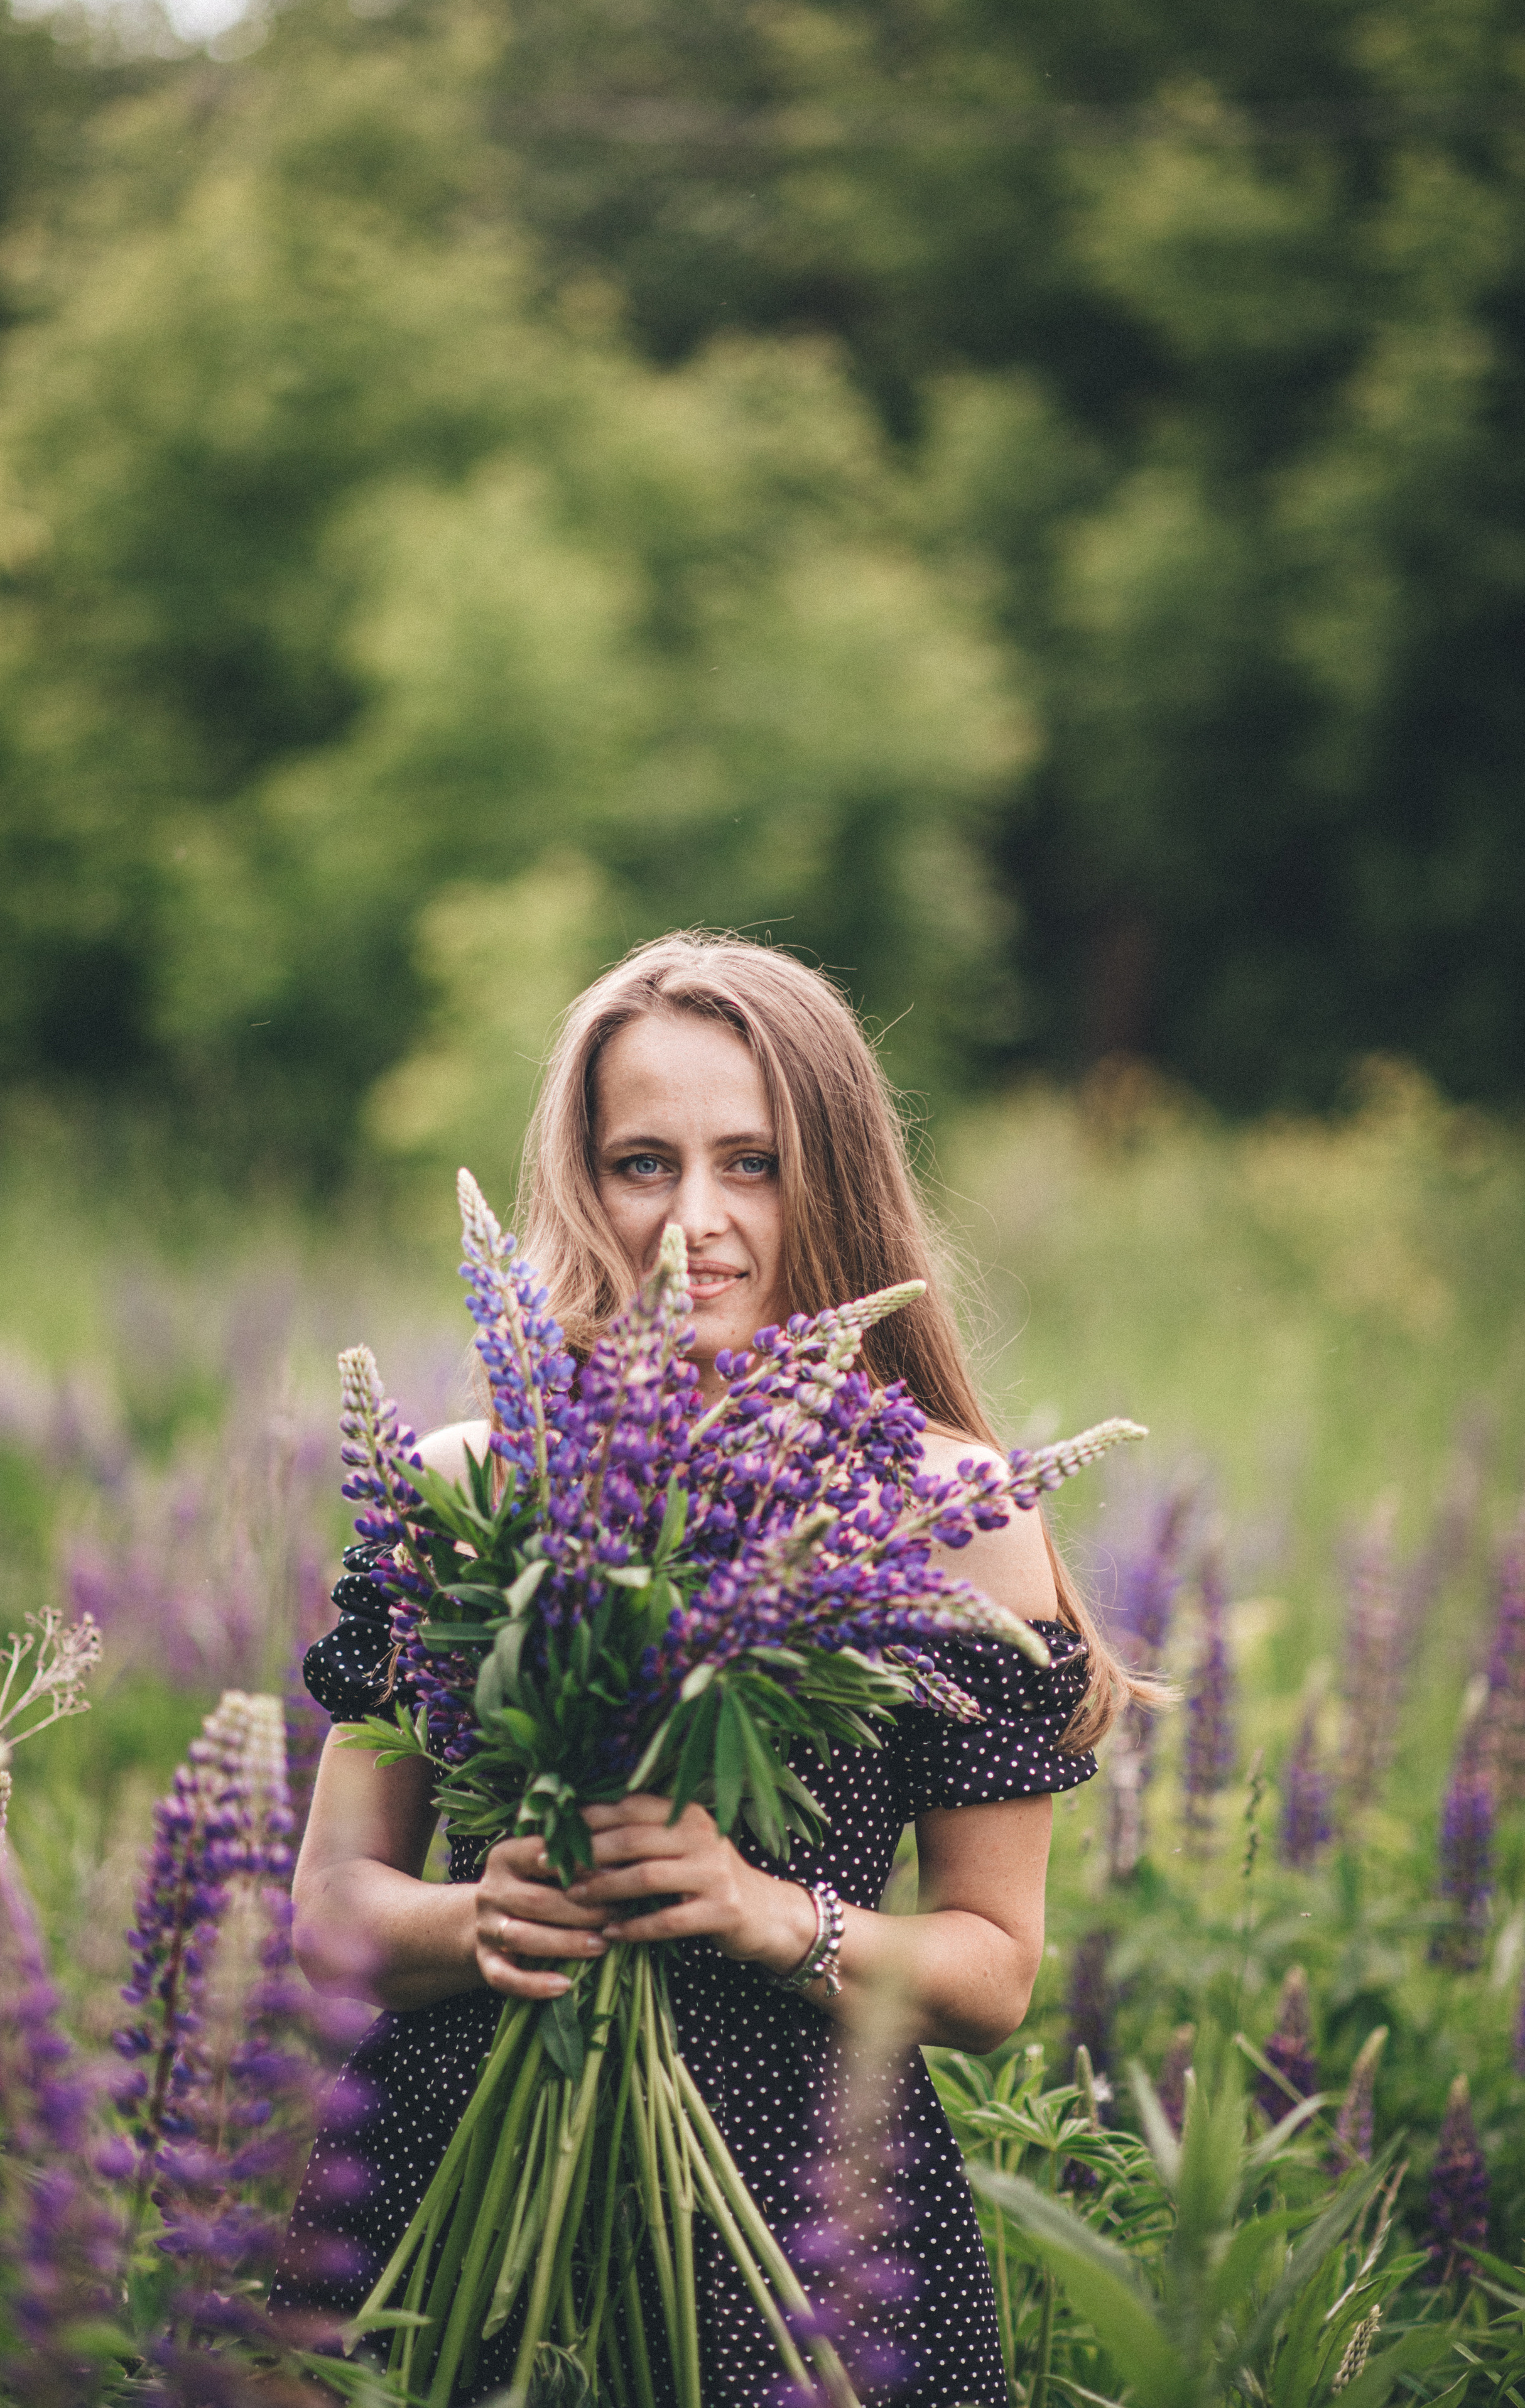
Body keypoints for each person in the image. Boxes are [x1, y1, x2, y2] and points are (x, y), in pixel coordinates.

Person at [276, 933, 1139, 2405]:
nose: (695, 1221)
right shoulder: (468, 1484)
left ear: (836, 1181)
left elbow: (991, 1972)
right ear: (580, 1182)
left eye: (751, 1162)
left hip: (802, 2223)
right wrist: (478, 1912)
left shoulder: (948, 1512)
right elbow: (330, 1910)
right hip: (447, 2185)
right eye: (640, 1163)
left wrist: (757, 1912)